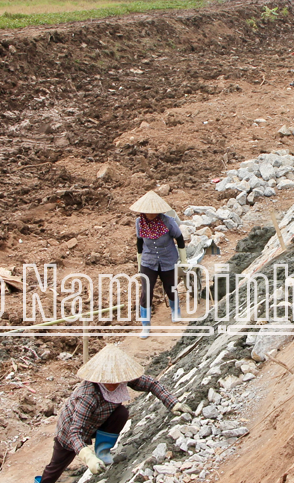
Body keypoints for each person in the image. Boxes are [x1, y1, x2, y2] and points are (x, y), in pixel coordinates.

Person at [36, 345, 192, 482]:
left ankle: (102, 452)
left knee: (121, 413)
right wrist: (87, 457)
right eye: (110, 381)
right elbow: (75, 432)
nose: (114, 383)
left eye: (117, 379)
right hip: (71, 429)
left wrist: (173, 403)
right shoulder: (88, 396)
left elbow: (151, 383)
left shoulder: (121, 379)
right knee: (57, 465)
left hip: (99, 420)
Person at [131, 190, 186, 339]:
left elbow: (180, 239)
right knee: (146, 292)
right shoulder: (139, 223)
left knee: (170, 287)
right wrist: (139, 263)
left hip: (168, 258)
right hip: (148, 261)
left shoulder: (168, 221)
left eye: (152, 212)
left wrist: (184, 261)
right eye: (147, 212)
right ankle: (146, 325)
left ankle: (175, 311)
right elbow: (139, 243)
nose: (149, 215)